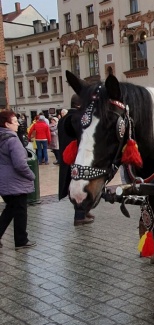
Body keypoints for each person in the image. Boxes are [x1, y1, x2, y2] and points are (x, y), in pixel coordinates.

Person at [0, 110, 36, 250]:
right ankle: (21, 240)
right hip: (15, 181)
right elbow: (20, 164)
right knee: (20, 210)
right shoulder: (12, 140)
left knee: (10, 209)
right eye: (14, 122)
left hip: (4, 180)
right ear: (7, 124)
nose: (18, 124)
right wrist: (31, 175)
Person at [58, 97, 95, 228]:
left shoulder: (63, 119)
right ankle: (79, 216)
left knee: (74, 185)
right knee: (80, 186)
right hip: (78, 158)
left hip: (66, 157)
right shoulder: (79, 118)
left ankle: (84, 211)